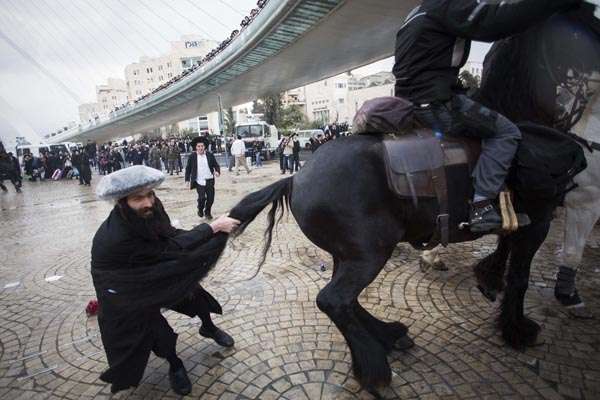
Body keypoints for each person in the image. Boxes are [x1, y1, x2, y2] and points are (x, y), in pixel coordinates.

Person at [393, 0, 581, 233]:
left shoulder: (416, 12)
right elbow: (496, 22)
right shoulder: (447, 6)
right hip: (436, 102)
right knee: (506, 132)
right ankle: (481, 206)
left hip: (408, 101)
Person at [92, 165, 239, 395]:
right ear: (122, 202)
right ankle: (175, 363)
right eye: (138, 198)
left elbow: (168, 234)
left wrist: (204, 234)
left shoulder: (151, 210)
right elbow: (170, 248)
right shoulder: (117, 236)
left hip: (151, 267)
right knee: (158, 333)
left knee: (193, 293)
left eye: (150, 194)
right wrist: (211, 228)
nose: (148, 202)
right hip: (126, 288)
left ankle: (208, 327)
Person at [185, 137, 221, 219]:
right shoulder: (192, 156)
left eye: (202, 146)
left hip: (209, 179)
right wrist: (187, 180)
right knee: (202, 198)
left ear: (204, 147)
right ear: (196, 147)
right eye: (198, 146)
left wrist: (217, 171)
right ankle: (200, 209)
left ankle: (207, 212)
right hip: (199, 181)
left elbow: (216, 165)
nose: (200, 148)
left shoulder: (209, 155)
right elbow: (188, 169)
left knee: (210, 199)